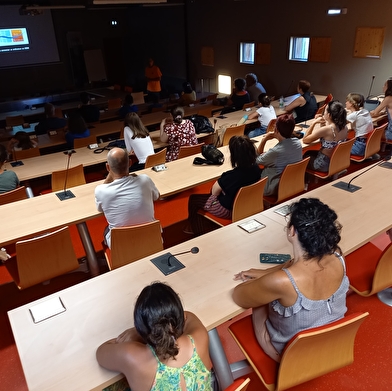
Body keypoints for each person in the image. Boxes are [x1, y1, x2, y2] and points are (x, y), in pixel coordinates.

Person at [232, 198, 348, 362]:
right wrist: (265, 273)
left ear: (292, 232)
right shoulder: (338, 255)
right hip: (332, 340)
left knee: (259, 303)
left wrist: (265, 280)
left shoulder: (283, 281)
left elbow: (239, 296)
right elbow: (297, 266)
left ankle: (272, 352)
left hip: (293, 355)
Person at [96, 282, 212, 391]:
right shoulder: (199, 337)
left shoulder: (132, 356)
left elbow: (101, 352)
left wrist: (138, 333)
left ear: (141, 328)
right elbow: (187, 315)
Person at [186, 135, 261, 236]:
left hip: (229, 210)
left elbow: (214, 192)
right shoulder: (256, 169)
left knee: (194, 199)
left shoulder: (230, 176)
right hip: (249, 204)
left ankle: (195, 230)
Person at [95, 147, 159, 248]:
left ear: (108, 167)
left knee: (107, 229)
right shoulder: (145, 180)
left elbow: (100, 209)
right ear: (130, 163)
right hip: (152, 239)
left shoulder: (100, 190)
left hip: (121, 247)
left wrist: (110, 174)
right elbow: (156, 197)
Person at [256, 114, 302, 196]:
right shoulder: (297, 143)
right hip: (292, 182)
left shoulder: (276, 152)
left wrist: (264, 140)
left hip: (272, 187)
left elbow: (257, 160)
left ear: (276, 129)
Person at [303, 100, 348, 172]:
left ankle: (307, 181)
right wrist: (325, 120)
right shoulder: (344, 127)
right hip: (337, 160)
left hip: (323, 164)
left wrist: (313, 123)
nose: (324, 112)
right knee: (309, 153)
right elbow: (328, 131)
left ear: (329, 115)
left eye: (325, 111)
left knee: (304, 158)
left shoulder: (326, 130)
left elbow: (305, 140)